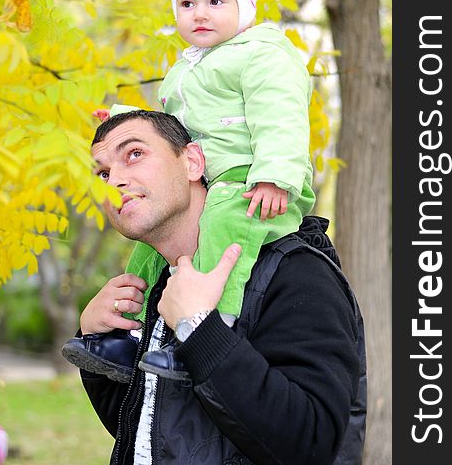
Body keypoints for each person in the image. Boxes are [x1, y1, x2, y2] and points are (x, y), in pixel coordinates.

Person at [83, 0, 316, 379]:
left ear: (244, 5)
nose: (200, 14)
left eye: (216, 2)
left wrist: (275, 174)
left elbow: (281, 113)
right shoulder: (184, 70)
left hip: (250, 182)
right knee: (149, 247)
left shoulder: (261, 52)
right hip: (211, 177)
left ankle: (206, 330)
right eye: (187, 4)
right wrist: (127, 117)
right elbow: (177, 128)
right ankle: (125, 336)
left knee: (223, 226)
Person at [64, 110, 366, 464]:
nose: (114, 179)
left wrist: (199, 330)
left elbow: (311, 443)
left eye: (134, 154)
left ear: (192, 162)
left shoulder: (294, 271)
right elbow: (157, 432)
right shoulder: (163, 284)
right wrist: (96, 344)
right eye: (102, 172)